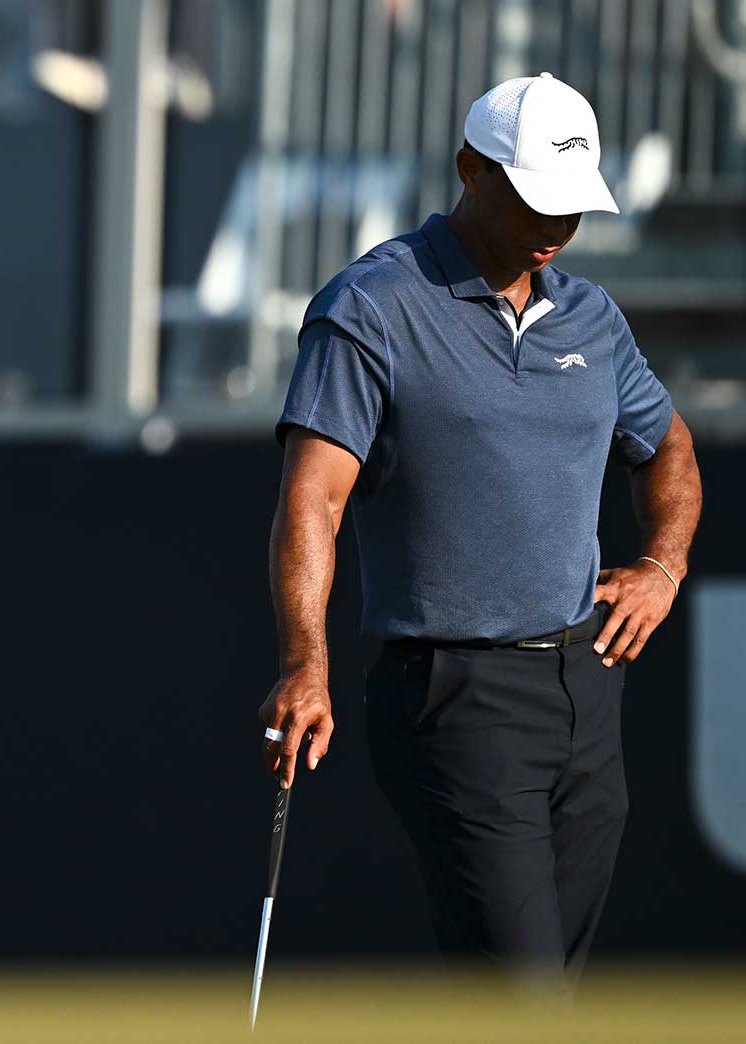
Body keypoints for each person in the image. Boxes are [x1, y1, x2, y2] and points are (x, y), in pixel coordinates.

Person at [258, 72, 703, 988]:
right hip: (454, 696)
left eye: (573, 204)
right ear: (471, 169)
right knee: (522, 996)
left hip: (586, 691)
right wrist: (306, 661)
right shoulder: (373, 305)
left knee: (542, 1001)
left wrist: (662, 565)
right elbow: (313, 500)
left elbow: (669, 448)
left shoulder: (591, 318)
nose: (558, 224)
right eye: (537, 198)